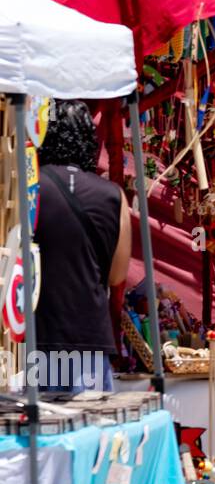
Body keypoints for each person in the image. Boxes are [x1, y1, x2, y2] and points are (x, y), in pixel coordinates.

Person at [34, 100, 132, 393]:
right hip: (90, 338)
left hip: (37, 335)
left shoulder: (31, 186)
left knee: (37, 422)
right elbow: (117, 276)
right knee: (91, 421)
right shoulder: (114, 195)